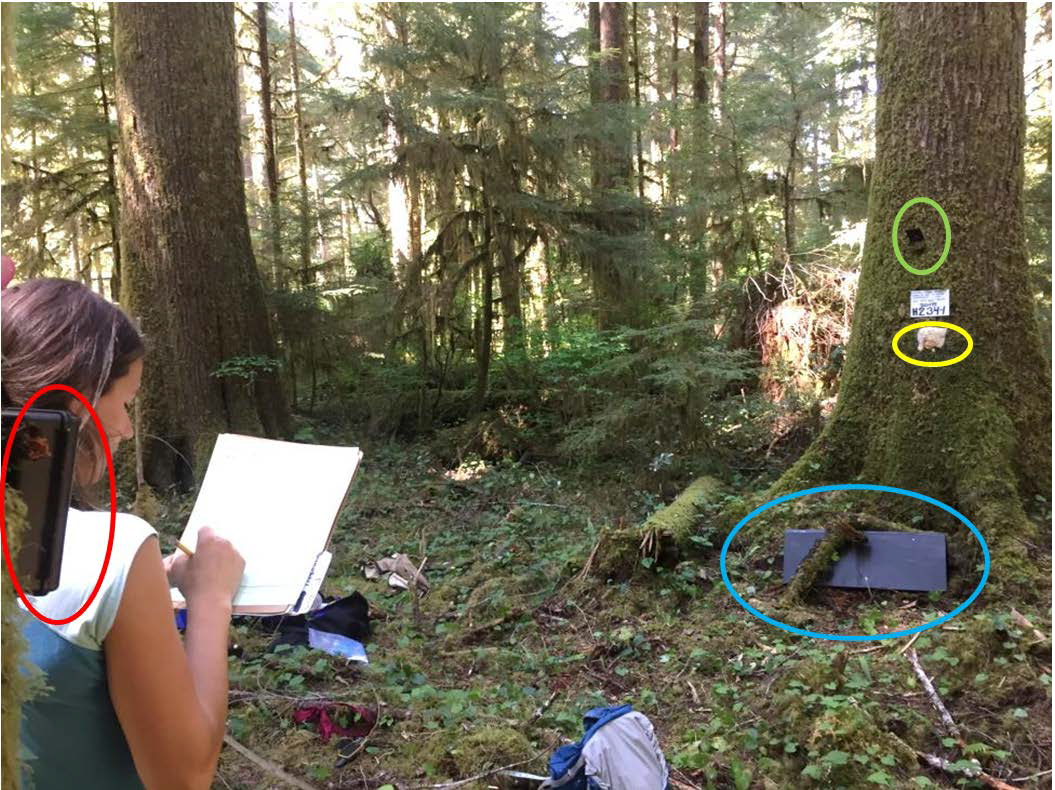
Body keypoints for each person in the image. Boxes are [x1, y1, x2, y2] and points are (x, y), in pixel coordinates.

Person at [2, 277, 246, 789]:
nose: (127, 428)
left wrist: (134, 601)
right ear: (75, 407)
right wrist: (211, 597)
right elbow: (184, 776)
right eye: (125, 401)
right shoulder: (113, 550)